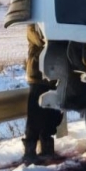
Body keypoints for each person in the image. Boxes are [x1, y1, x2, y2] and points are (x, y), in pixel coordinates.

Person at [23, 24, 63, 163]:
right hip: (38, 75)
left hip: (52, 75)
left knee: (52, 114)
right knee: (35, 115)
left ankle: (46, 147)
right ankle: (30, 150)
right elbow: (43, 40)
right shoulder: (34, 25)